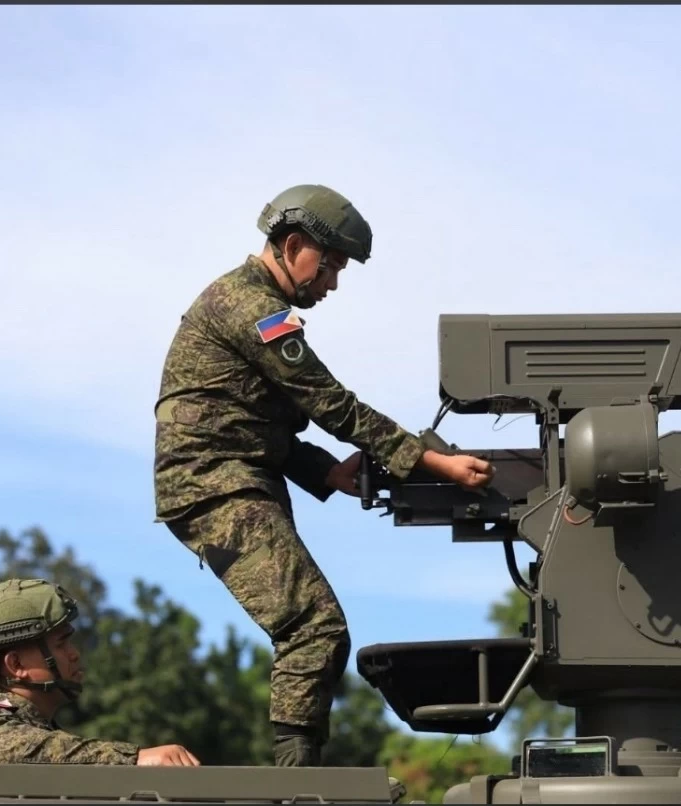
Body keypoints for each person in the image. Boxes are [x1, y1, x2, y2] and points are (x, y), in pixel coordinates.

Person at [152, 183, 494, 766]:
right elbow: (329, 403)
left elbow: (251, 419)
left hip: (231, 478)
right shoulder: (251, 308)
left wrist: (328, 472)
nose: (331, 283)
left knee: (313, 627)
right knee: (314, 628)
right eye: (329, 265)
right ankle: (296, 781)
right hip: (214, 485)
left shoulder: (252, 305)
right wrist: (433, 461)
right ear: (292, 246)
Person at [0, 577, 200, 767]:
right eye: (60, 644)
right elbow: (2, 751)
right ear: (16, 665)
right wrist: (135, 759)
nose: (74, 653)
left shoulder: (41, 728)